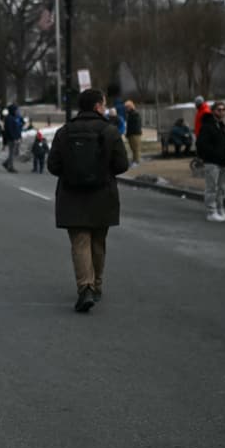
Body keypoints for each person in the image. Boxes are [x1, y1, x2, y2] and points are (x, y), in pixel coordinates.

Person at [46, 88, 130, 312]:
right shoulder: (110, 131)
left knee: (80, 243)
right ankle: (97, 285)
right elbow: (122, 165)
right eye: (103, 103)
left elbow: (53, 166)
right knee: (98, 243)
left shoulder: (65, 132)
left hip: (71, 195)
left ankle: (85, 287)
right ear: (97, 106)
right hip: (103, 195)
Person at [197, 100, 225, 222]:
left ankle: (220, 209)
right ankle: (211, 212)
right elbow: (201, 144)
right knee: (211, 188)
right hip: (212, 162)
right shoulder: (207, 126)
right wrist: (210, 156)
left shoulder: (223, 126)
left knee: (222, 188)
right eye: (219, 109)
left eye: (224, 109)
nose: (222, 112)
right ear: (213, 111)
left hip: (224, 162)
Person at [1, 104, 24, 172]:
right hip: (12, 139)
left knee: (14, 153)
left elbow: (17, 128)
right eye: (16, 110)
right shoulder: (9, 118)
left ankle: (6, 163)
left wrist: (19, 136)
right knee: (12, 153)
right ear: (13, 110)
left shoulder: (13, 117)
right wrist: (14, 138)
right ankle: (10, 167)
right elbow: (10, 130)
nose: (17, 111)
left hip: (15, 138)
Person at [123, 100, 143, 166]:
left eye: (126, 107)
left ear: (130, 107)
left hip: (135, 134)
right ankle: (135, 160)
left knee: (136, 148)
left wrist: (129, 133)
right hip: (132, 134)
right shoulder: (130, 114)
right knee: (133, 148)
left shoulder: (135, 114)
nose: (126, 109)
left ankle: (136, 161)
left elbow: (134, 126)